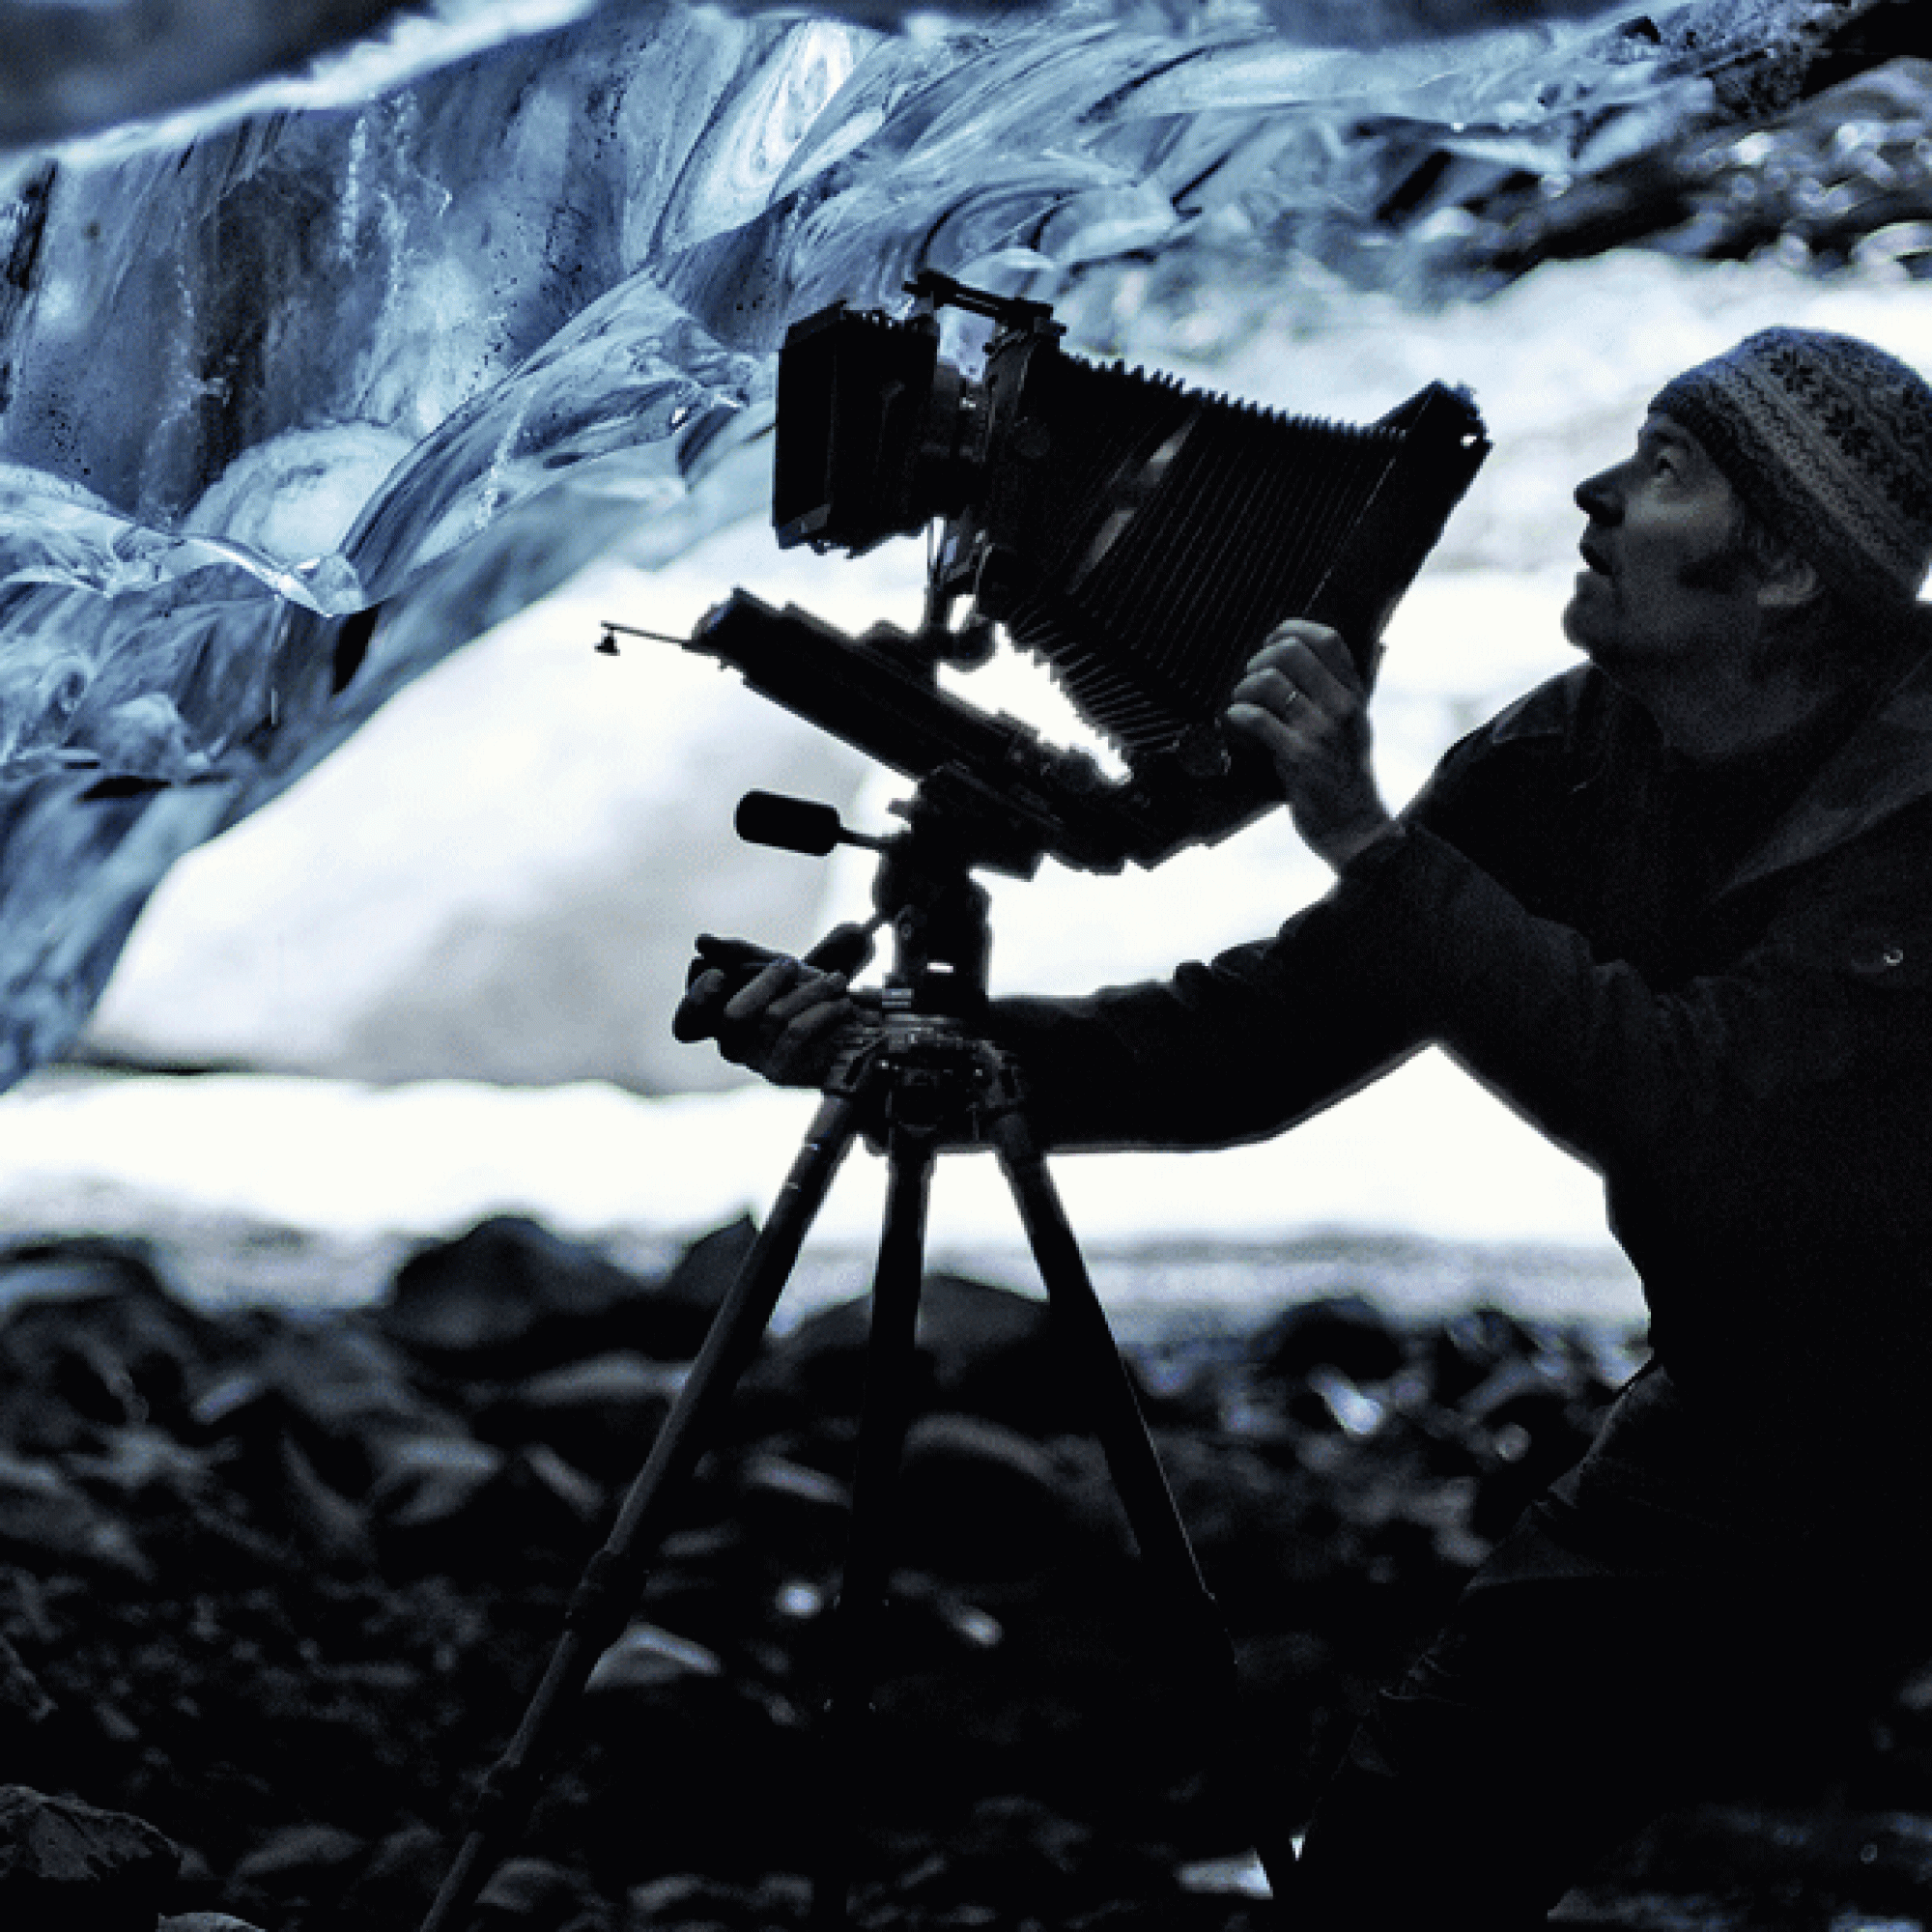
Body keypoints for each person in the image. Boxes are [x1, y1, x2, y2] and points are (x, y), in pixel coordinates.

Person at [675, 327, 1932, 1924]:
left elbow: (1686, 1107)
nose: (1596, 496)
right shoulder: (1579, 750)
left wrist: (1359, 830)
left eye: (1667, 473)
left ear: (1786, 579)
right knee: (1417, 1833)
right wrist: (937, 1053)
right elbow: (1256, 1046)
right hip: (1758, 1399)